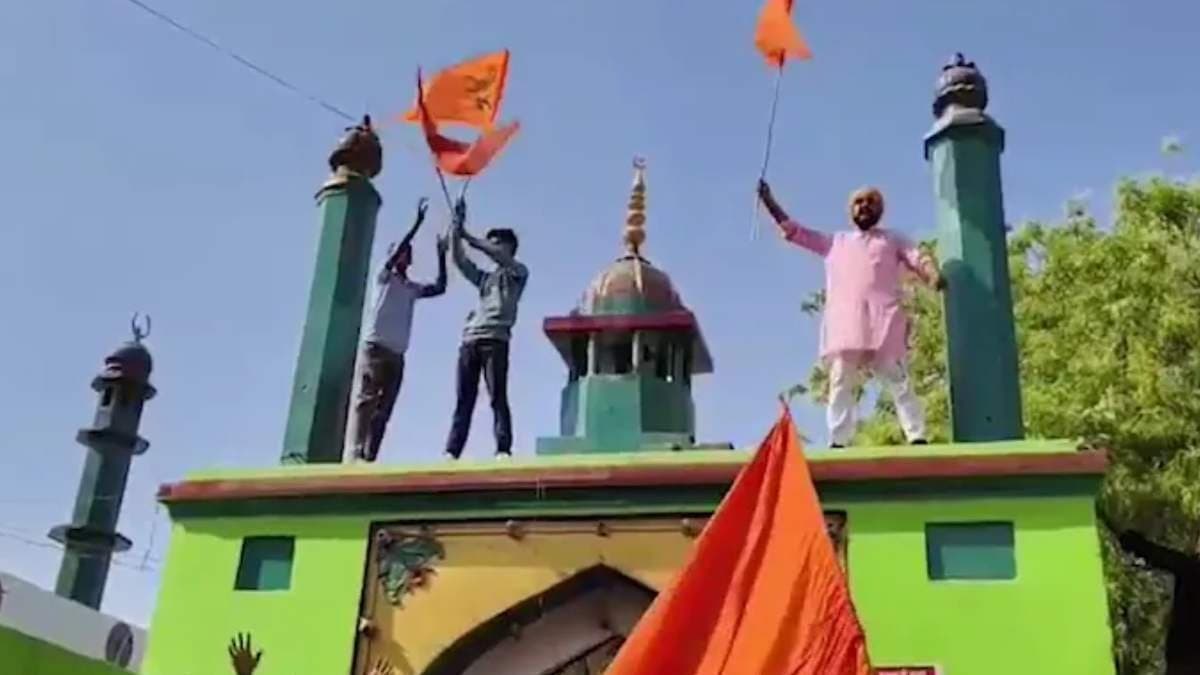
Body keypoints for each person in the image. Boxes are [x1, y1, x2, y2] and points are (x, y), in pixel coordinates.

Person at [757, 180, 943, 448]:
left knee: (899, 382)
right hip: (847, 325)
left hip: (884, 322)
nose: (864, 206)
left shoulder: (892, 240)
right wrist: (769, 202)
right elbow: (795, 232)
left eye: (871, 202)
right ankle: (839, 441)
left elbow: (918, 258)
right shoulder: (836, 242)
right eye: (859, 202)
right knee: (841, 382)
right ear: (851, 211)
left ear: (880, 211)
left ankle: (917, 436)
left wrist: (933, 276)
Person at [351, 197, 448, 462]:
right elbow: (396, 253)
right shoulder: (384, 277)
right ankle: (357, 449)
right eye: (402, 251)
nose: (407, 254)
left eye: (409, 252)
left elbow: (440, 287)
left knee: (384, 409)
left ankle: (371, 454)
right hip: (377, 348)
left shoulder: (410, 288)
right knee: (367, 400)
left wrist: (441, 254)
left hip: (397, 354)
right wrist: (417, 224)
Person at [444, 197, 529, 460]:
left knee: (497, 396)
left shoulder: (518, 272)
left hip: (496, 340)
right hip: (471, 340)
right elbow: (459, 260)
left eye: (495, 242)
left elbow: (495, 255)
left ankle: (503, 448)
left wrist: (469, 235)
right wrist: (456, 228)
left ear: (508, 247)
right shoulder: (485, 279)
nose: (490, 246)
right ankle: (452, 450)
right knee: (463, 400)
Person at [1116, 528, 1200, 674]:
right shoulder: (1191, 567)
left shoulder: (1192, 569)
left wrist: (1138, 544)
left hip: (1187, 660)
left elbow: (1170, 560)